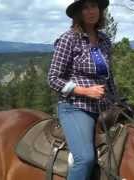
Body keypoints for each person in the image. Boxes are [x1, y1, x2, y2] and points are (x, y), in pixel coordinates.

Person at [47, 0, 117, 179]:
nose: (91, 11)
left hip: (105, 107)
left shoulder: (104, 40)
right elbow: (53, 79)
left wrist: (116, 101)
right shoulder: (69, 39)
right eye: (85, 7)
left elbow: (108, 78)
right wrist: (85, 91)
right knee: (84, 159)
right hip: (76, 107)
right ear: (78, 13)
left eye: (94, 6)